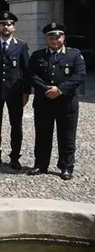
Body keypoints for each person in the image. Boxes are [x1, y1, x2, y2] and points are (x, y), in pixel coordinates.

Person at [27, 22, 86, 180]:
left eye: (57, 37)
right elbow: (31, 75)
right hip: (44, 101)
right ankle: (41, 164)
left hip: (66, 103)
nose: (54, 40)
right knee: (42, 135)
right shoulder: (38, 55)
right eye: (51, 37)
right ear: (46, 38)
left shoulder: (74, 55)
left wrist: (60, 90)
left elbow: (79, 76)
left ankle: (66, 167)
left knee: (67, 136)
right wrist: (46, 89)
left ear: (63, 37)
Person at [0, 11, 31, 170]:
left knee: (16, 125)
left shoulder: (21, 46)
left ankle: (15, 157)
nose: (6, 27)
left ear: (13, 28)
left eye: (9, 24)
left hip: (15, 91)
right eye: (3, 24)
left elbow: (26, 70)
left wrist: (26, 91)